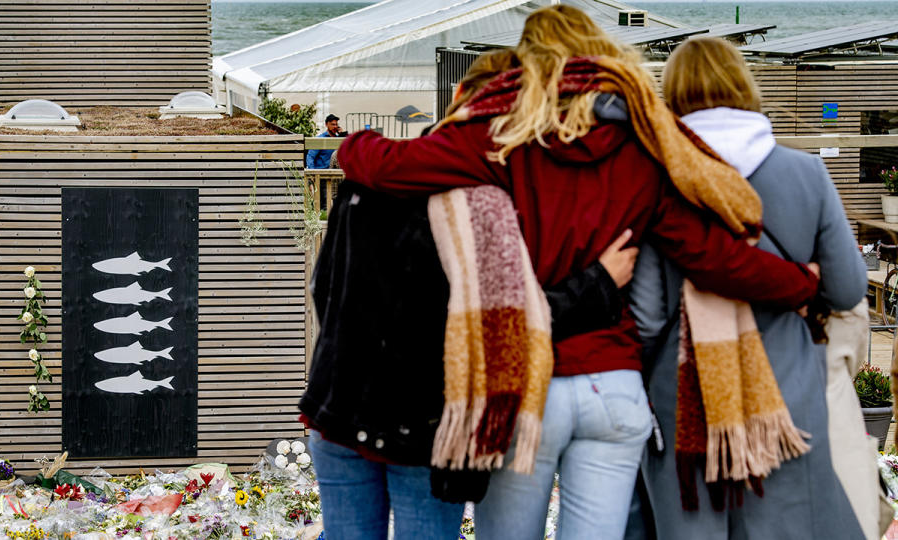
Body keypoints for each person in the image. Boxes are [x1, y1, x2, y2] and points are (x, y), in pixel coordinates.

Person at [335, 6, 820, 539]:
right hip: (613, 388)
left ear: (530, 61)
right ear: (602, 56)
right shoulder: (644, 147)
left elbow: (385, 167)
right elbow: (713, 258)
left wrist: (354, 141)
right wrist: (802, 284)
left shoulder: (498, 138)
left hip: (525, 388)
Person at [630, 37, 867, 540]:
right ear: (744, 86)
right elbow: (847, 290)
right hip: (788, 394)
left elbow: (647, 317)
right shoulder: (806, 172)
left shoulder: (660, 177)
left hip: (685, 399)